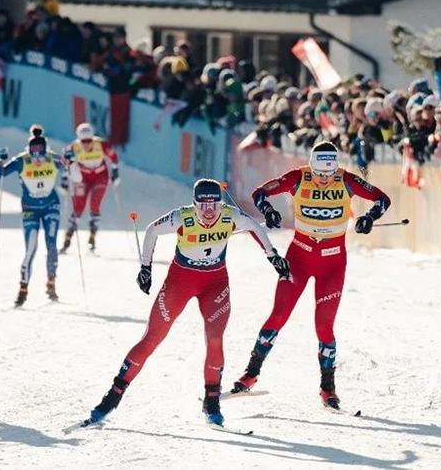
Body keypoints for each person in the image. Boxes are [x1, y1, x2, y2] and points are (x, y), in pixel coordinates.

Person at [85, 179, 290, 428]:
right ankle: (112, 397)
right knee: (151, 339)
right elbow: (151, 230)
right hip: (180, 281)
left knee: (215, 340)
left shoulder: (230, 215)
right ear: (193, 204)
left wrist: (273, 256)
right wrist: (146, 268)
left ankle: (212, 402)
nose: (208, 210)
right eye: (202, 205)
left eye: (213, 203)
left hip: (215, 283)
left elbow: (255, 228)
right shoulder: (182, 217)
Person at [231, 141, 391, 410]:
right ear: (311, 167)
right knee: (278, 315)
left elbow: (382, 199)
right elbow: (260, 193)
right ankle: (250, 374)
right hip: (299, 259)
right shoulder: (298, 177)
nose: (323, 181)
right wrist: (269, 212)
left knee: (324, 326)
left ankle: (328, 388)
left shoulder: (347, 180)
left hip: (332, 262)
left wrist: (369, 218)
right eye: (319, 174)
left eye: (329, 175)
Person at [0, 124, 62, 306]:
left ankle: (51, 282)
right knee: (31, 248)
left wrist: (70, 161)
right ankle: (23, 288)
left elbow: (75, 175)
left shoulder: (53, 159)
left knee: (51, 244)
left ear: (46, 150)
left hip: (51, 206)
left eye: (41, 153)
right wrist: (1, 162)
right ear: (29, 149)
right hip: (30, 208)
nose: (37, 158)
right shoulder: (22, 160)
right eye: (33, 153)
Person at [61, 122, 119, 252]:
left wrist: (115, 171)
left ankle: (92, 236)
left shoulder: (101, 144)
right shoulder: (73, 147)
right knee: (78, 206)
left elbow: (114, 157)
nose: (86, 144)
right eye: (83, 141)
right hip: (83, 177)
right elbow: (65, 163)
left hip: (100, 176)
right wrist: (64, 178)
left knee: (94, 204)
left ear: (93, 138)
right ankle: (68, 237)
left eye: (89, 140)